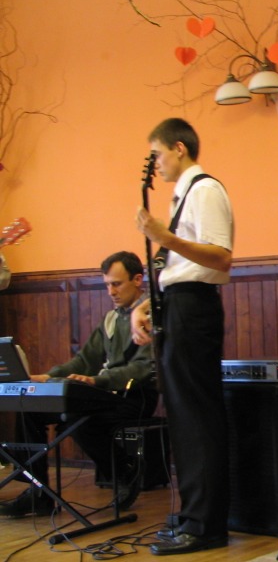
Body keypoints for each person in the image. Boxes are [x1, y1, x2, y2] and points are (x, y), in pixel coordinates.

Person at [132, 118, 233, 556]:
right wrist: (144, 305)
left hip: (194, 307)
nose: (155, 163)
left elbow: (220, 257)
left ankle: (206, 524)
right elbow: (174, 266)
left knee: (197, 416)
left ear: (178, 148)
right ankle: (194, 514)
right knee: (183, 417)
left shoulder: (206, 190)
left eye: (157, 153)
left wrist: (163, 236)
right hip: (177, 304)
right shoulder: (184, 195)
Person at [0, 251, 157, 518]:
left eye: (116, 284)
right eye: (107, 284)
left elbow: (143, 368)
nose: (111, 291)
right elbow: (84, 360)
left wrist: (96, 380)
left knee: (79, 419)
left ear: (137, 280)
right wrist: (48, 377)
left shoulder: (150, 317)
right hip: (106, 392)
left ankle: (124, 473)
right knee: (30, 408)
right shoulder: (111, 319)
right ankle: (38, 492)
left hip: (135, 396)